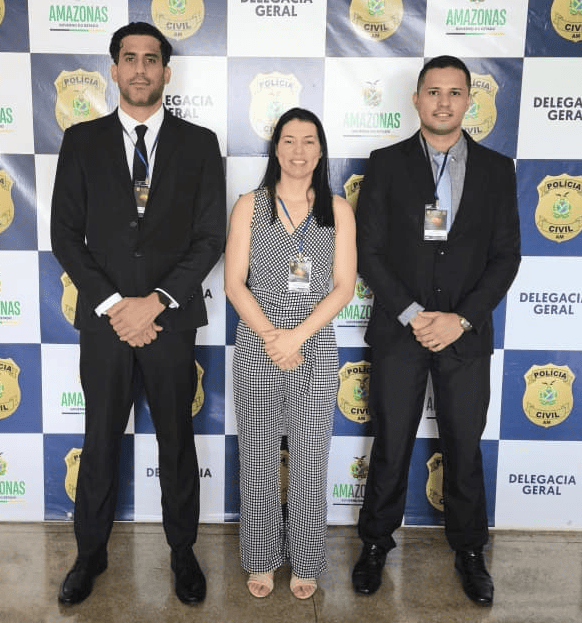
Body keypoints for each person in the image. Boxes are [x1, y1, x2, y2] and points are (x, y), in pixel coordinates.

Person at [50, 22, 225, 606]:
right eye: (130, 58)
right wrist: (114, 305)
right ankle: (89, 554)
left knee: (177, 440)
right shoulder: (81, 141)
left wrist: (154, 302)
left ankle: (183, 553)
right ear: (114, 69)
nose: (141, 69)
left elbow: (210, 237)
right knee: (100, 439)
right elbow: (65, 235)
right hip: (105, 325)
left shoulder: (199, 144)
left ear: (167, 72)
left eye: (152, 59)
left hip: (170, 322)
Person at [351, 56, 521, 606]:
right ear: (417, 99)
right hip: (400, 332)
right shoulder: (385, 163)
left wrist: (460, 318)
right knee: (391, 443)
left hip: (465, 335)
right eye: (433, 91)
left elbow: (506, 256)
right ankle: (374, 544)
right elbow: (368, 250)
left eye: (454, 92)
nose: (443, 102)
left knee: (463, 448)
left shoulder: (497, 169)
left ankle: (470, 552)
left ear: (469, 99)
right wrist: (412, 314)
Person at [225, 108, 357, 600]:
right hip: (258, 341)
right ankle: (260, 557)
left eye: (308, 141)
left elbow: (343, 287)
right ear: (275, 148)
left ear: (320, 151)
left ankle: (306, 559)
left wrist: (296, 336)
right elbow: (234, 283)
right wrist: (271, 335)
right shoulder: (249, 205)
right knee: (258, 454)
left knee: (310, 457)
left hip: (314, 341)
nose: (298, 151)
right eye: (288, 140)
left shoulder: (338, 210)